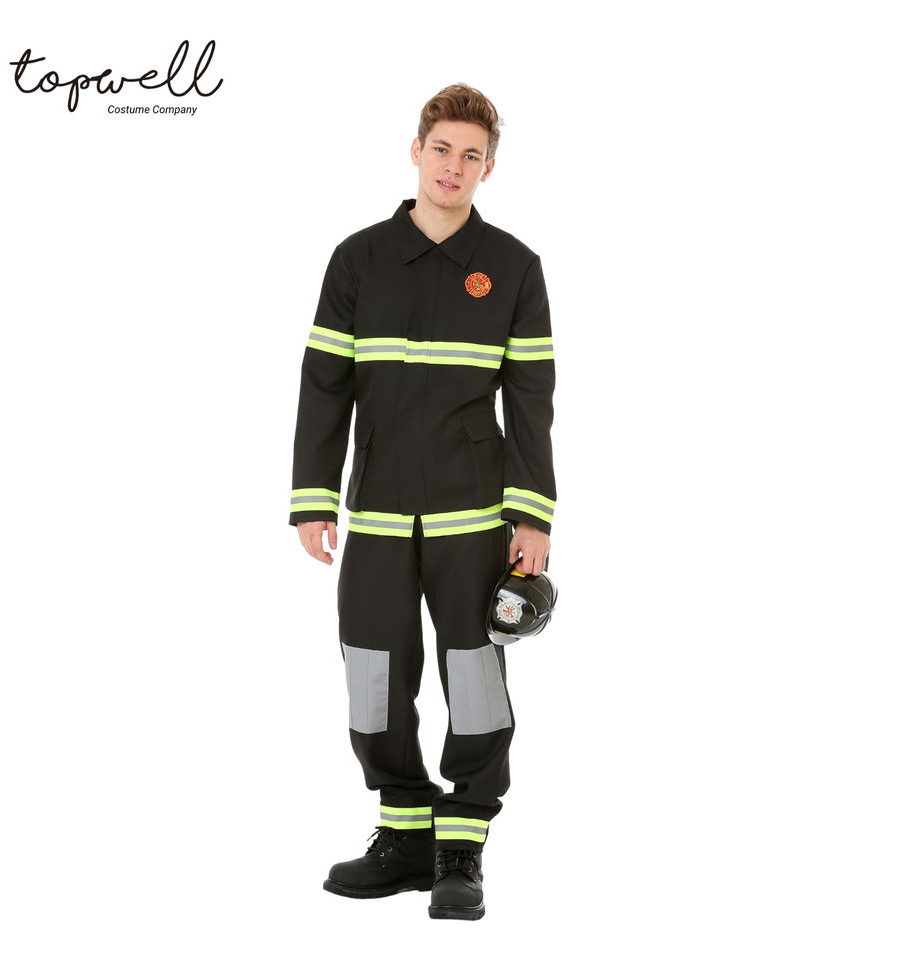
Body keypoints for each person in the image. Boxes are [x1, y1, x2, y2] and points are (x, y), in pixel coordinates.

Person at [288, 83, 556, 921]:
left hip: (473, 515)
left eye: (472, 155)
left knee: (474, 675)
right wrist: (313, 499)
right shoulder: (357, 259)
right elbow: (324, 385)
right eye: (442, 148)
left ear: (488, 168)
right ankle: (405, 838)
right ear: (416, 151)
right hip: (374, 512)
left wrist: (533, 514)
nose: (453, 166)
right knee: (371, 669)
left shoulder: (513, 267)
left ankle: (461, 848)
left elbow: (532, 400)